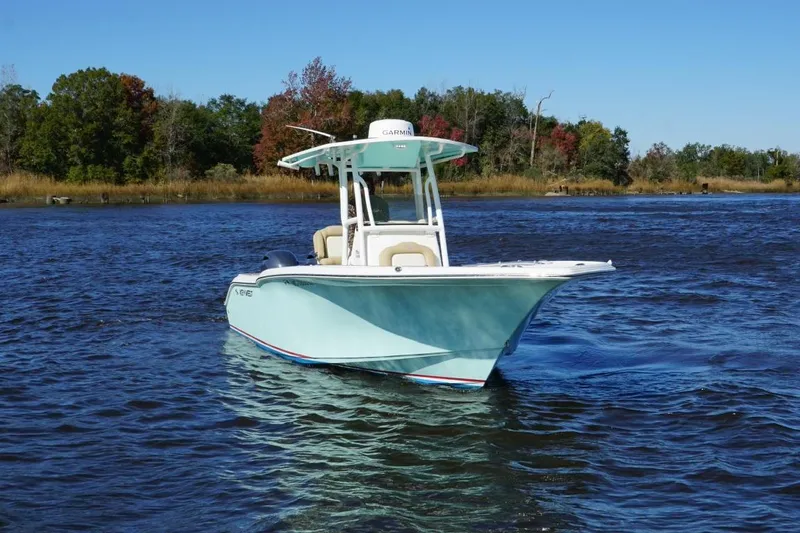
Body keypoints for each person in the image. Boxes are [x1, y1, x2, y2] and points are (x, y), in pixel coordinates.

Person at [347, 173, 390, 253]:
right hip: (363, 243)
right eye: (364, 187)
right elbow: (351, 231)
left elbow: (386, 223)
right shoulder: (352, 204)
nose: (368, 189)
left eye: (369, 187)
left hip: (379, 241)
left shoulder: (382, 203)